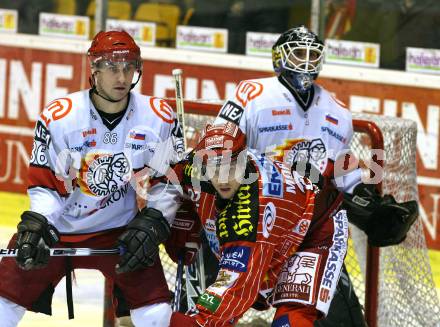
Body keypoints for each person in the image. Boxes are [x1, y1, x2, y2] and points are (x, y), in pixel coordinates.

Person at [214, 25, 419, 326]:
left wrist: (372, 211)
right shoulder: (252, 95)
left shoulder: (337, 113)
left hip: (312, 234)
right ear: (278, 58)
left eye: (312, 55)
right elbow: (219, 151)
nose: (305, 62)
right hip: (251, 225)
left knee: (343, 321)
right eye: (298, 53)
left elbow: (344, 178)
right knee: (213, 311)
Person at [0, 30, 183, 326]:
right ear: (94, 69)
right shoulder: (60, 117)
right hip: (57, 229)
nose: (121, 77)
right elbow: (45, 185)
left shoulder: (158, 116)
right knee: (3, 304)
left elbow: (170, 180)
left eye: (128, 67)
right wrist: (38, 223)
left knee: (158, 314)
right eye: (112, 67)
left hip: (119, 230)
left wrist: (154, 219)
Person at [147, 122, 350, 326]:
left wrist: (195, 322)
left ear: (244, 160)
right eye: (215, 168)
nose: (223, 178)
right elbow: (167, 175)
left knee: (290, 320)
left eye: (231, 166)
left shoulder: (248, 213)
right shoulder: (197, 167)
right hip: (277, 231)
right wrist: (178, 214)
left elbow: (236, 290)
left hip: (316, 229)